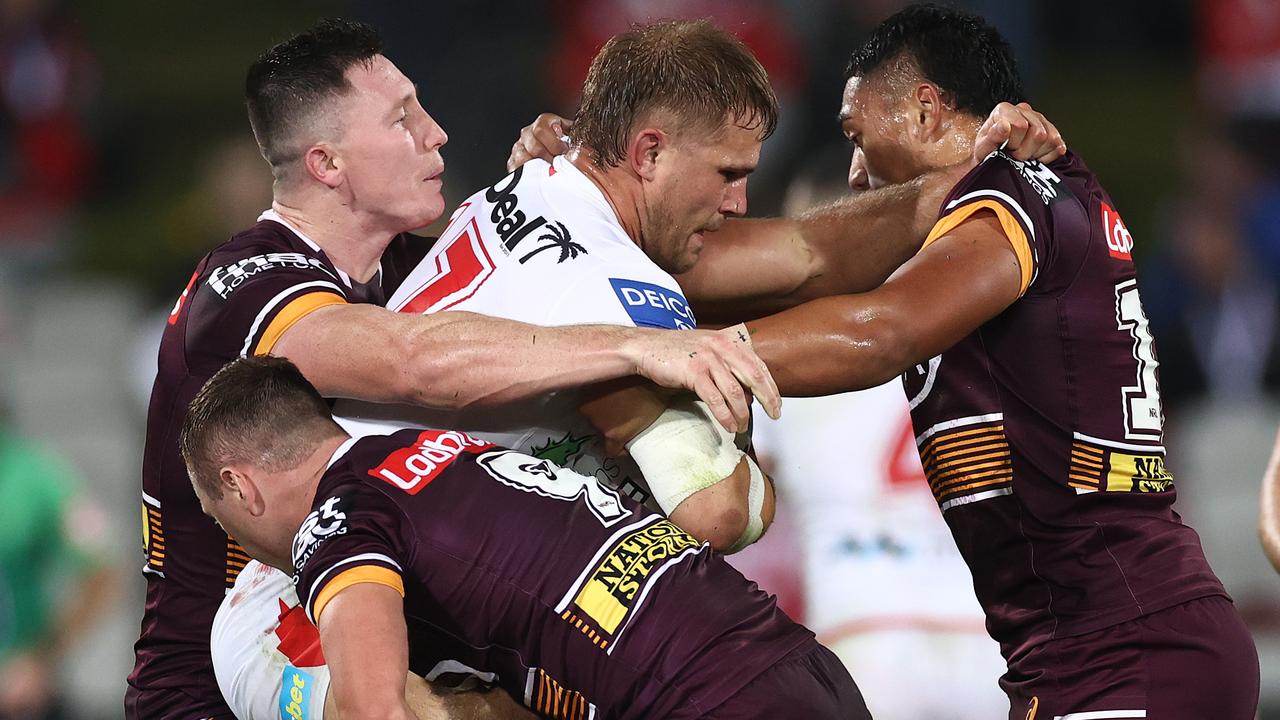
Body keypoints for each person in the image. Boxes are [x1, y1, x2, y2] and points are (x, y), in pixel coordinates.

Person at [126, 18, 782, 720]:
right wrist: (637, 345)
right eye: (403, 117)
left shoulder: (399, 268)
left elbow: (514, 298)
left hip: (371, 622)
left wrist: (555, 184)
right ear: (327, 164)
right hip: (232, 671)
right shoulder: (246, 285)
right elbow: (419, 362)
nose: (435, 132)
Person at [689, 5, 1260, 718]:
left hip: (1122, 644)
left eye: (859, 137)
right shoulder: (1042, 190)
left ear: (926, 111)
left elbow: (884, 333)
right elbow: (806, 261)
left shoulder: (1006, 194)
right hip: (1078, 645)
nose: (856, 172)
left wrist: (686, 358)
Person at [184, 355, 871, 720]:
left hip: (704, 702)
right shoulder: (442, 450)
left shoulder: (337, 520)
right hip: (804, 670)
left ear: (241, 488)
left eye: (225, 522)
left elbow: (372, 709)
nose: (247, 549)